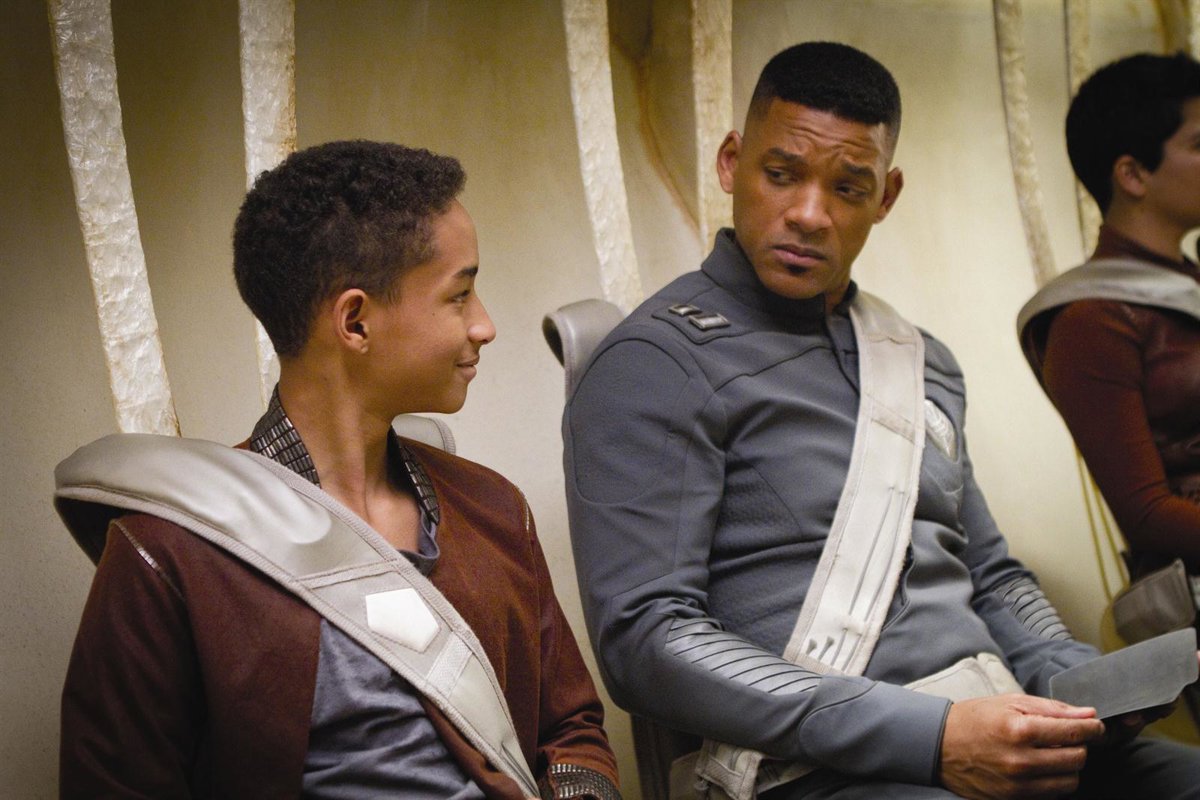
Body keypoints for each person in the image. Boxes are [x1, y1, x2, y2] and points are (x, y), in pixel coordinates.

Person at [564, 43, 1200, 799]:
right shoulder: (656, 361)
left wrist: (1084, 687)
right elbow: (647, 639)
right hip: (818, 770)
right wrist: (933, 739)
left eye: (847, 187)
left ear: (886, 196)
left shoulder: (922, 359)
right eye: (781, 174)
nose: (809, 215)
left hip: (996, 728)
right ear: (732, 163)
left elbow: (991, 576)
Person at [57, 141, 621, 799]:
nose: (485, 325)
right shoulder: (166, 555)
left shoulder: (493, 509)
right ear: (355, 321)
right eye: (461, 295)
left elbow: (571, 729)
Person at [1018, 53, 1200, 585]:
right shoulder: (1091, 319)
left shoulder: (1189, 281)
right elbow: (1147, 515)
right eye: (1199, 145)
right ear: (1133, 175)